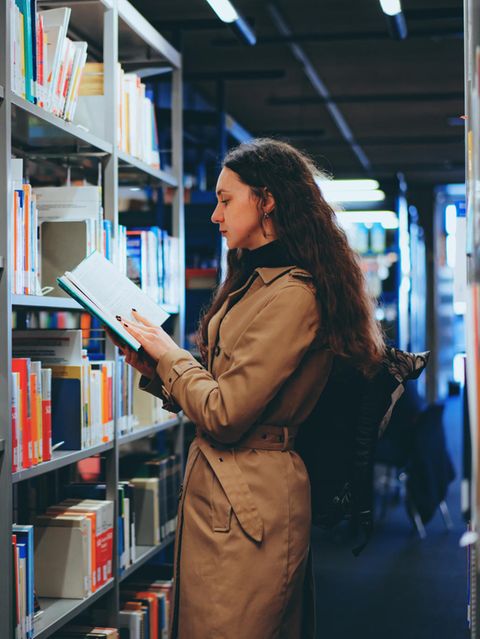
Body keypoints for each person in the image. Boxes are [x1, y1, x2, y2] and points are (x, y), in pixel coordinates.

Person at [111, 138, 385, 639]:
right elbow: (220, 387)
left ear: (267, 200)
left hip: (250, 498)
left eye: (224, 199)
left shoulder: (294, 295)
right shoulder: (252, 282)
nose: (215, 215)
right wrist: (153, 366)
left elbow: (226, 411)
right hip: (227, 490)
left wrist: (170, 355)